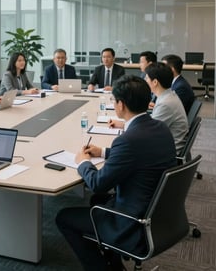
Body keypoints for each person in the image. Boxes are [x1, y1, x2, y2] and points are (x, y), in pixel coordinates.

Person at [56, 75, 176, 271]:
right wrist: (103, 152)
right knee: (98, 200)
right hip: (159, 215)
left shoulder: (128, 140)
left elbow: (97, 183)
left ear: (120, 105)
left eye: (114, 100)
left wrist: (83, 163)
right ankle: (114, 263)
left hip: (132, 221)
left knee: (63, 217)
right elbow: (140, 154)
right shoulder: (159, 127)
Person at [145, 62, 189, 155]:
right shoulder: (168, 95)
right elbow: (152, 122)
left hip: (166, 152)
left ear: (155, 82)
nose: (145, 80)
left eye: (147, 78)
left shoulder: (165, 103)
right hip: (166, 144)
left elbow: (148, 133)